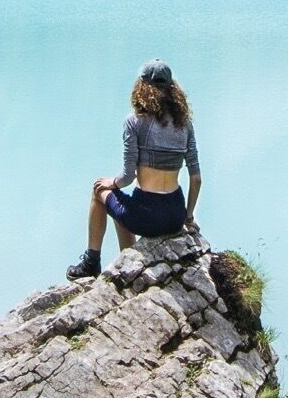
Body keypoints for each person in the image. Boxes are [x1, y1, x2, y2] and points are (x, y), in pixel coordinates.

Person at [67, 59, 201, 280]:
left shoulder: (134, 121)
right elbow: (196, 179)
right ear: (172, 89)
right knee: (123, 202)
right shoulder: (184, 124)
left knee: (100, 191)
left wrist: (112, 182)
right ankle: (127, 258)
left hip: (147, 217)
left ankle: (91, 262)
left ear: (142, 87)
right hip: (175, 215)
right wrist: (187, 217)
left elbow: (128, 176)